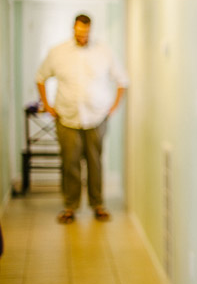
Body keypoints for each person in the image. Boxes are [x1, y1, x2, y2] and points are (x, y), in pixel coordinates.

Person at [35, 14, 128, 224]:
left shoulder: (103, 51)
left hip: (96, 117)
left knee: (95, 162)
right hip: (67, 117)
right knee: (70, 163)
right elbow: (40, 77)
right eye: (79, 33)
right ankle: (70, 207)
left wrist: (113, 107)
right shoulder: (58, 52)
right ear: (73, 30)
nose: (82, 37)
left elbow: (122, 79)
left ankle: (98, 205)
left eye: (85, 33)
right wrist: (47, 105)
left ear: (90, 30)